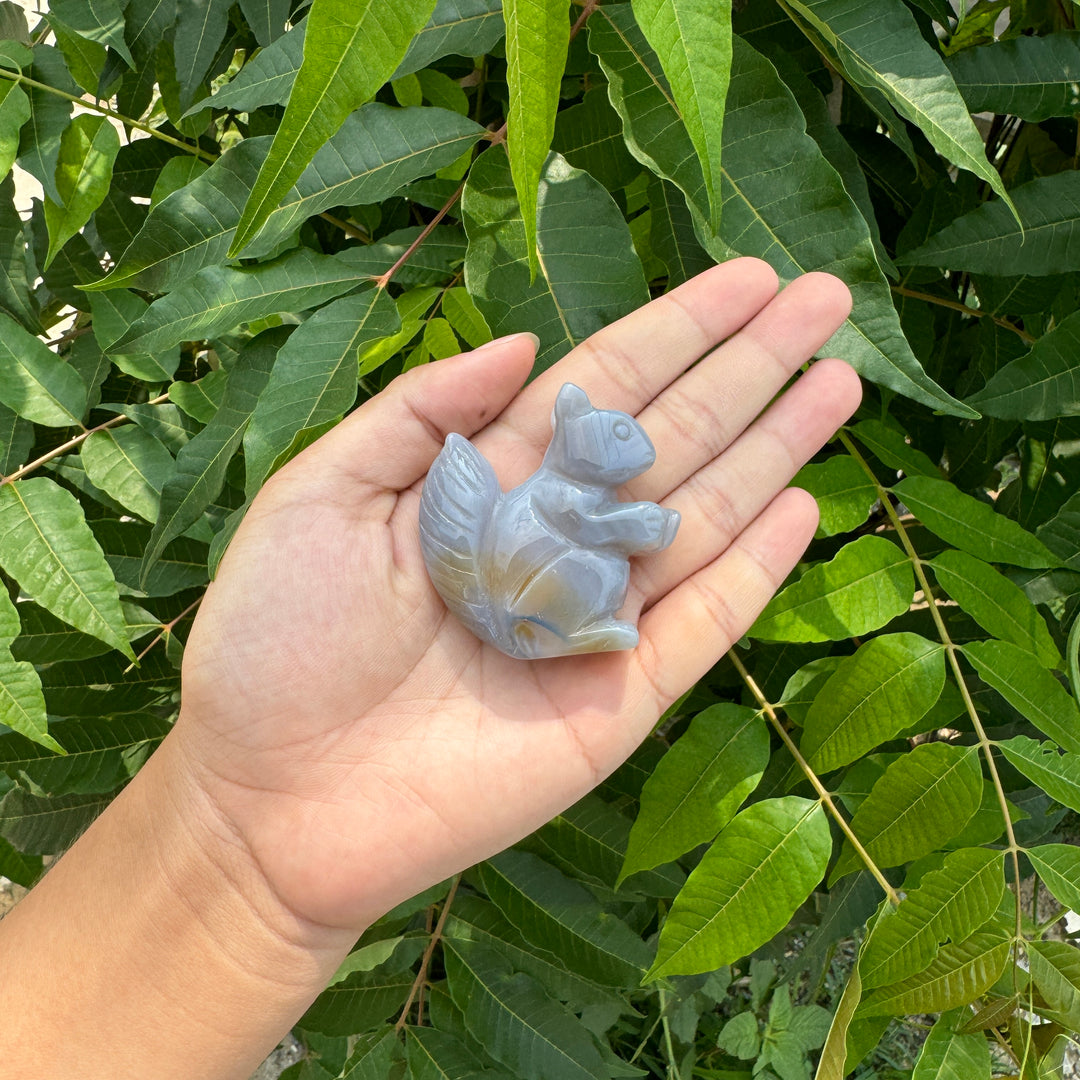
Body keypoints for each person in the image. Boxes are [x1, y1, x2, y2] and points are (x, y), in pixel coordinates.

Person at [0, 260, 860, 1078]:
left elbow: (622, 526)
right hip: (525, 601)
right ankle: (587, 624)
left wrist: (240, 862)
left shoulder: (572, 488)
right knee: (585, 580)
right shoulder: (560, 488)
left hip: (525, 604)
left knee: (587, 583)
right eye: (619, 446)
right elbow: (626, 529)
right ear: (577, 442)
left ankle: (587, 623)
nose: (636, 461)